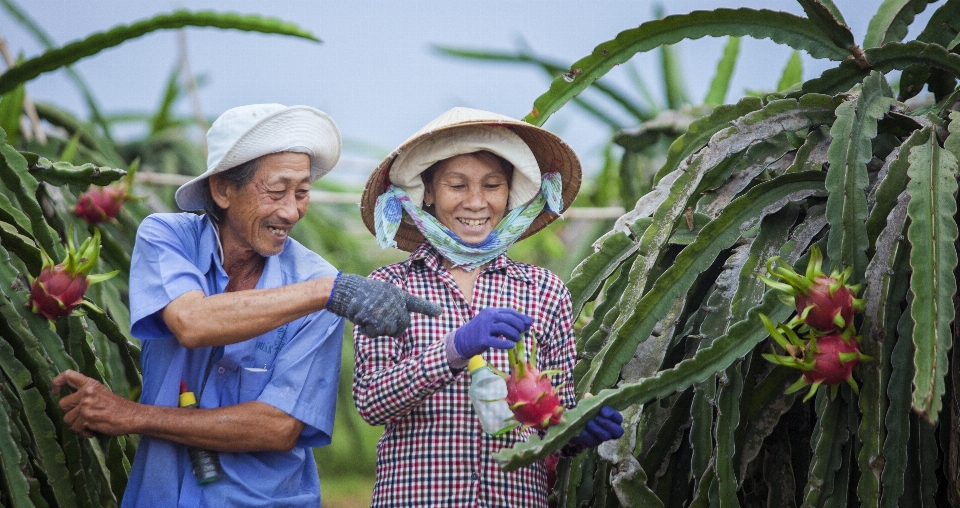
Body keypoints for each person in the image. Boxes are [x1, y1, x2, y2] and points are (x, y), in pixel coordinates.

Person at [50, 103, 441, 508]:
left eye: (303, 192)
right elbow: (191, 322)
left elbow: (277, 427)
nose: (291, 211)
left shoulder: (319, 281)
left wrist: (132, 416)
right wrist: (328, 292)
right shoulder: (168, 237)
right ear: (222, 190)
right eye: (276, 191)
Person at [353, 107, 624, 507]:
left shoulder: (544, 290)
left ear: (510, 192)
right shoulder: (390, 286)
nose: (477, 202)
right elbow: (372, 401)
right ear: (427, 192)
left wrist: (576, 428)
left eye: (492, 185)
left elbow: (555, 410)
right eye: (456, 185)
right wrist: (454, 349)